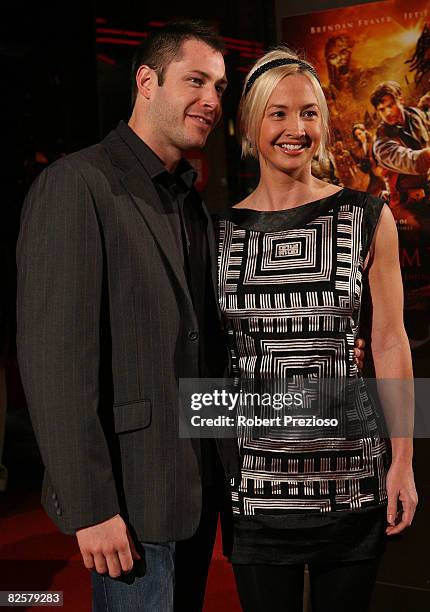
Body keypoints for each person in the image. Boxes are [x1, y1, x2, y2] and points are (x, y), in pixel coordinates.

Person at [16, 19, 237, 612]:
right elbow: (54, 364)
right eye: (196, 80)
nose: (212, 100)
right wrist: (90, 508)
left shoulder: (189, 201)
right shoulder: (75, 184)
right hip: (125, 507)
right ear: (146, 81)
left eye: (219, 86)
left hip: (194, 492)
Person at [215, 47, 418, 612]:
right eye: (277, 113)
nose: (294, 128)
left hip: (352, 477)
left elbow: (389, 342)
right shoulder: (219, 232)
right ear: (252, 123)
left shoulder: (367, 217)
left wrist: (402, 460)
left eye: (308, 113)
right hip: (256, 487)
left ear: (324, 125)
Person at [370, 80, 430, 208]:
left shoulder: (415, 115)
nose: (387, 113)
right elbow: (413, 161)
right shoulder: (381, 143)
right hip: (408, 204)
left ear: (400, 100)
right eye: (382, 109)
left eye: (390, 105)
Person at [351, 123, 385, 196]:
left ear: (364, 131)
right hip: (372, 175)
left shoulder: (373, 142)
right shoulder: (359, 148)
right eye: (356, 136)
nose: (359, 137)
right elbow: (362, 163)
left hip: (381, 172)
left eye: (360, 134)